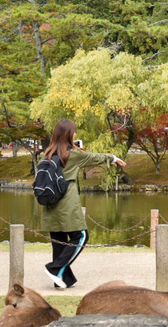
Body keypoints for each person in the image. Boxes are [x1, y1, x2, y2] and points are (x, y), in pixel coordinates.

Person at [40, 119, 126, 289]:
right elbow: (94, 157)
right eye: (74, 132)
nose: (76, 134)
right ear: (69, 135)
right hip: (67, 203)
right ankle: (55, 268)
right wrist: (113, 157)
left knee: (60, 241)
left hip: (50, 205)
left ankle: (62, 280)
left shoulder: (47, 155)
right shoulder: (74, 155)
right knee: (81, 236)